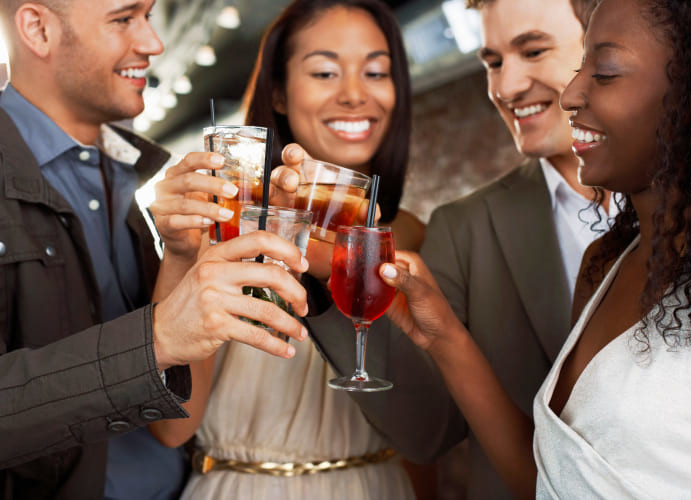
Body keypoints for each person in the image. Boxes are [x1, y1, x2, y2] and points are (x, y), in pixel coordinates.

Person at [277, 0, 611, 496]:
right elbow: (426, 432)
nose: (506, 87)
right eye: (493, 63)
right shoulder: (464, 227)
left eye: (534, 50)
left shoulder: (675, 199)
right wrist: (331, 272)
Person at [380, 0, 691, 496]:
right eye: (492, 61)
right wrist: (443, 333)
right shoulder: (605, 265)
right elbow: (552, 480)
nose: (573, 93)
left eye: (606, 71)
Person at [147, 1, 463, 498]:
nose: (355, 94)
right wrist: (181, 254)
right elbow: (171, 429)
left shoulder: (415, 240)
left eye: (376, 72)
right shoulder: (224, 227)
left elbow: (427, 437)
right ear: (277, 91)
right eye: (324, 71)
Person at [0, 1, 309, 499]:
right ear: (37, 28)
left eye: (149, 15)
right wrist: (157, 337)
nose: (153, 43)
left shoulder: (123, 175)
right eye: (124, 19)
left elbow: (171, 427)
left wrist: (184, 256)